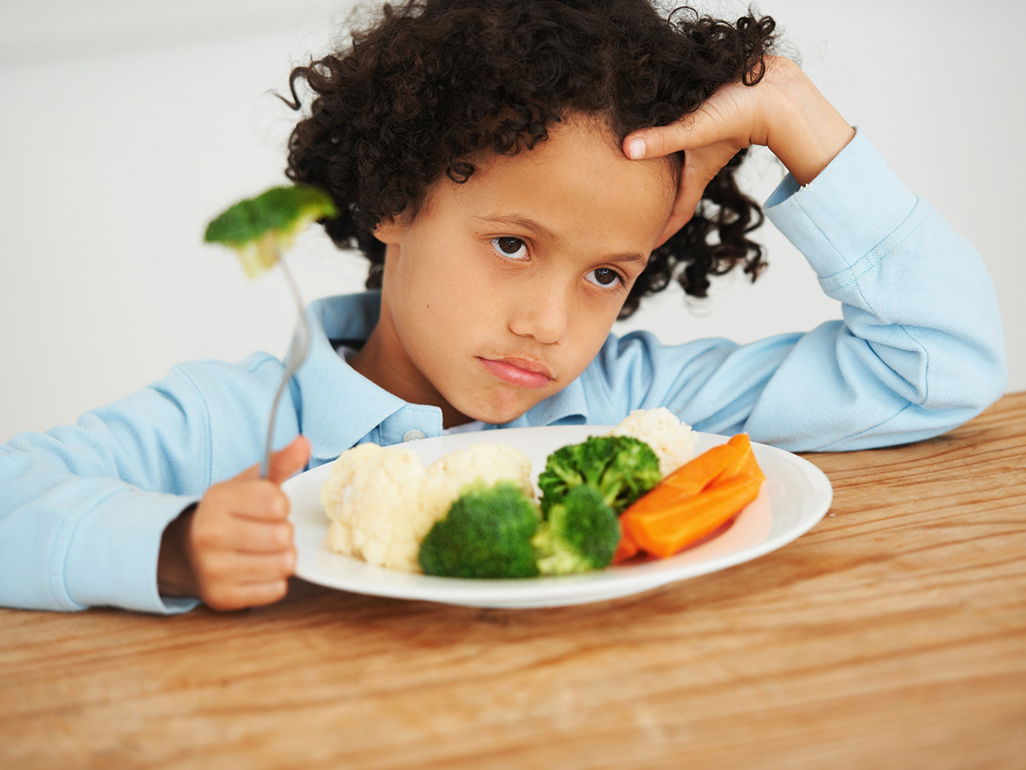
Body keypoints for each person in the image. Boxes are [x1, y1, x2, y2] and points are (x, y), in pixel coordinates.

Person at [0, 0, 1007, 615]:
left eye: (606, 274)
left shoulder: (634, 407)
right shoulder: (232, 426)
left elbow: (937, 366)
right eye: (513, 245)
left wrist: (797, 118)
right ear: (395, 196)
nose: (550, 324)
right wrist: (170, 540)